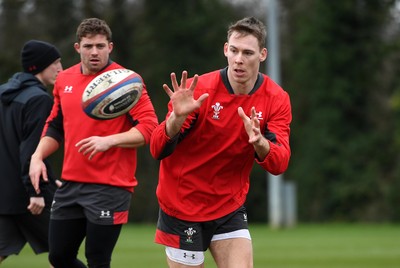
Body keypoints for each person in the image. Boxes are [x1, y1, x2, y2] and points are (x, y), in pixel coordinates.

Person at [150, 17, 292, 267]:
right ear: (225, 49)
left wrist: (259, 142)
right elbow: (157, 148)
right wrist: (176, 117)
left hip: (228, 206)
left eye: (248, 52)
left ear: (262, 55)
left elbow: (279, 163)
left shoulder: (276, 98)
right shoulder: (200, 90)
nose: (239, 59)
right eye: (234, 50)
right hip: (181, 206)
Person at [29, 18, 158, 268]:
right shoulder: (64, 80)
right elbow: (55, 126)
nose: (95, 52)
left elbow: (150, 129)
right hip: (70, 184)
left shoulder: (127, 82)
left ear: (110, 46)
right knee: (58, 256)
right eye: (88, 46)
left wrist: (109, 141)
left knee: (97, 259)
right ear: (77, 48)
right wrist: (37, 156)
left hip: (110, 186)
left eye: (100, 46)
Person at [0, 40, 62, 265]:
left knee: (2, 248)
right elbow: (32, 150)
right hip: (29, 195)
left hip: (5, 194)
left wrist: (52, 179)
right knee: (65, 244)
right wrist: (35, 190)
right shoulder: (39, 99)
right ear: (39, 66)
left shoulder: (3, 94)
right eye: (55, 62)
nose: (60, 68)